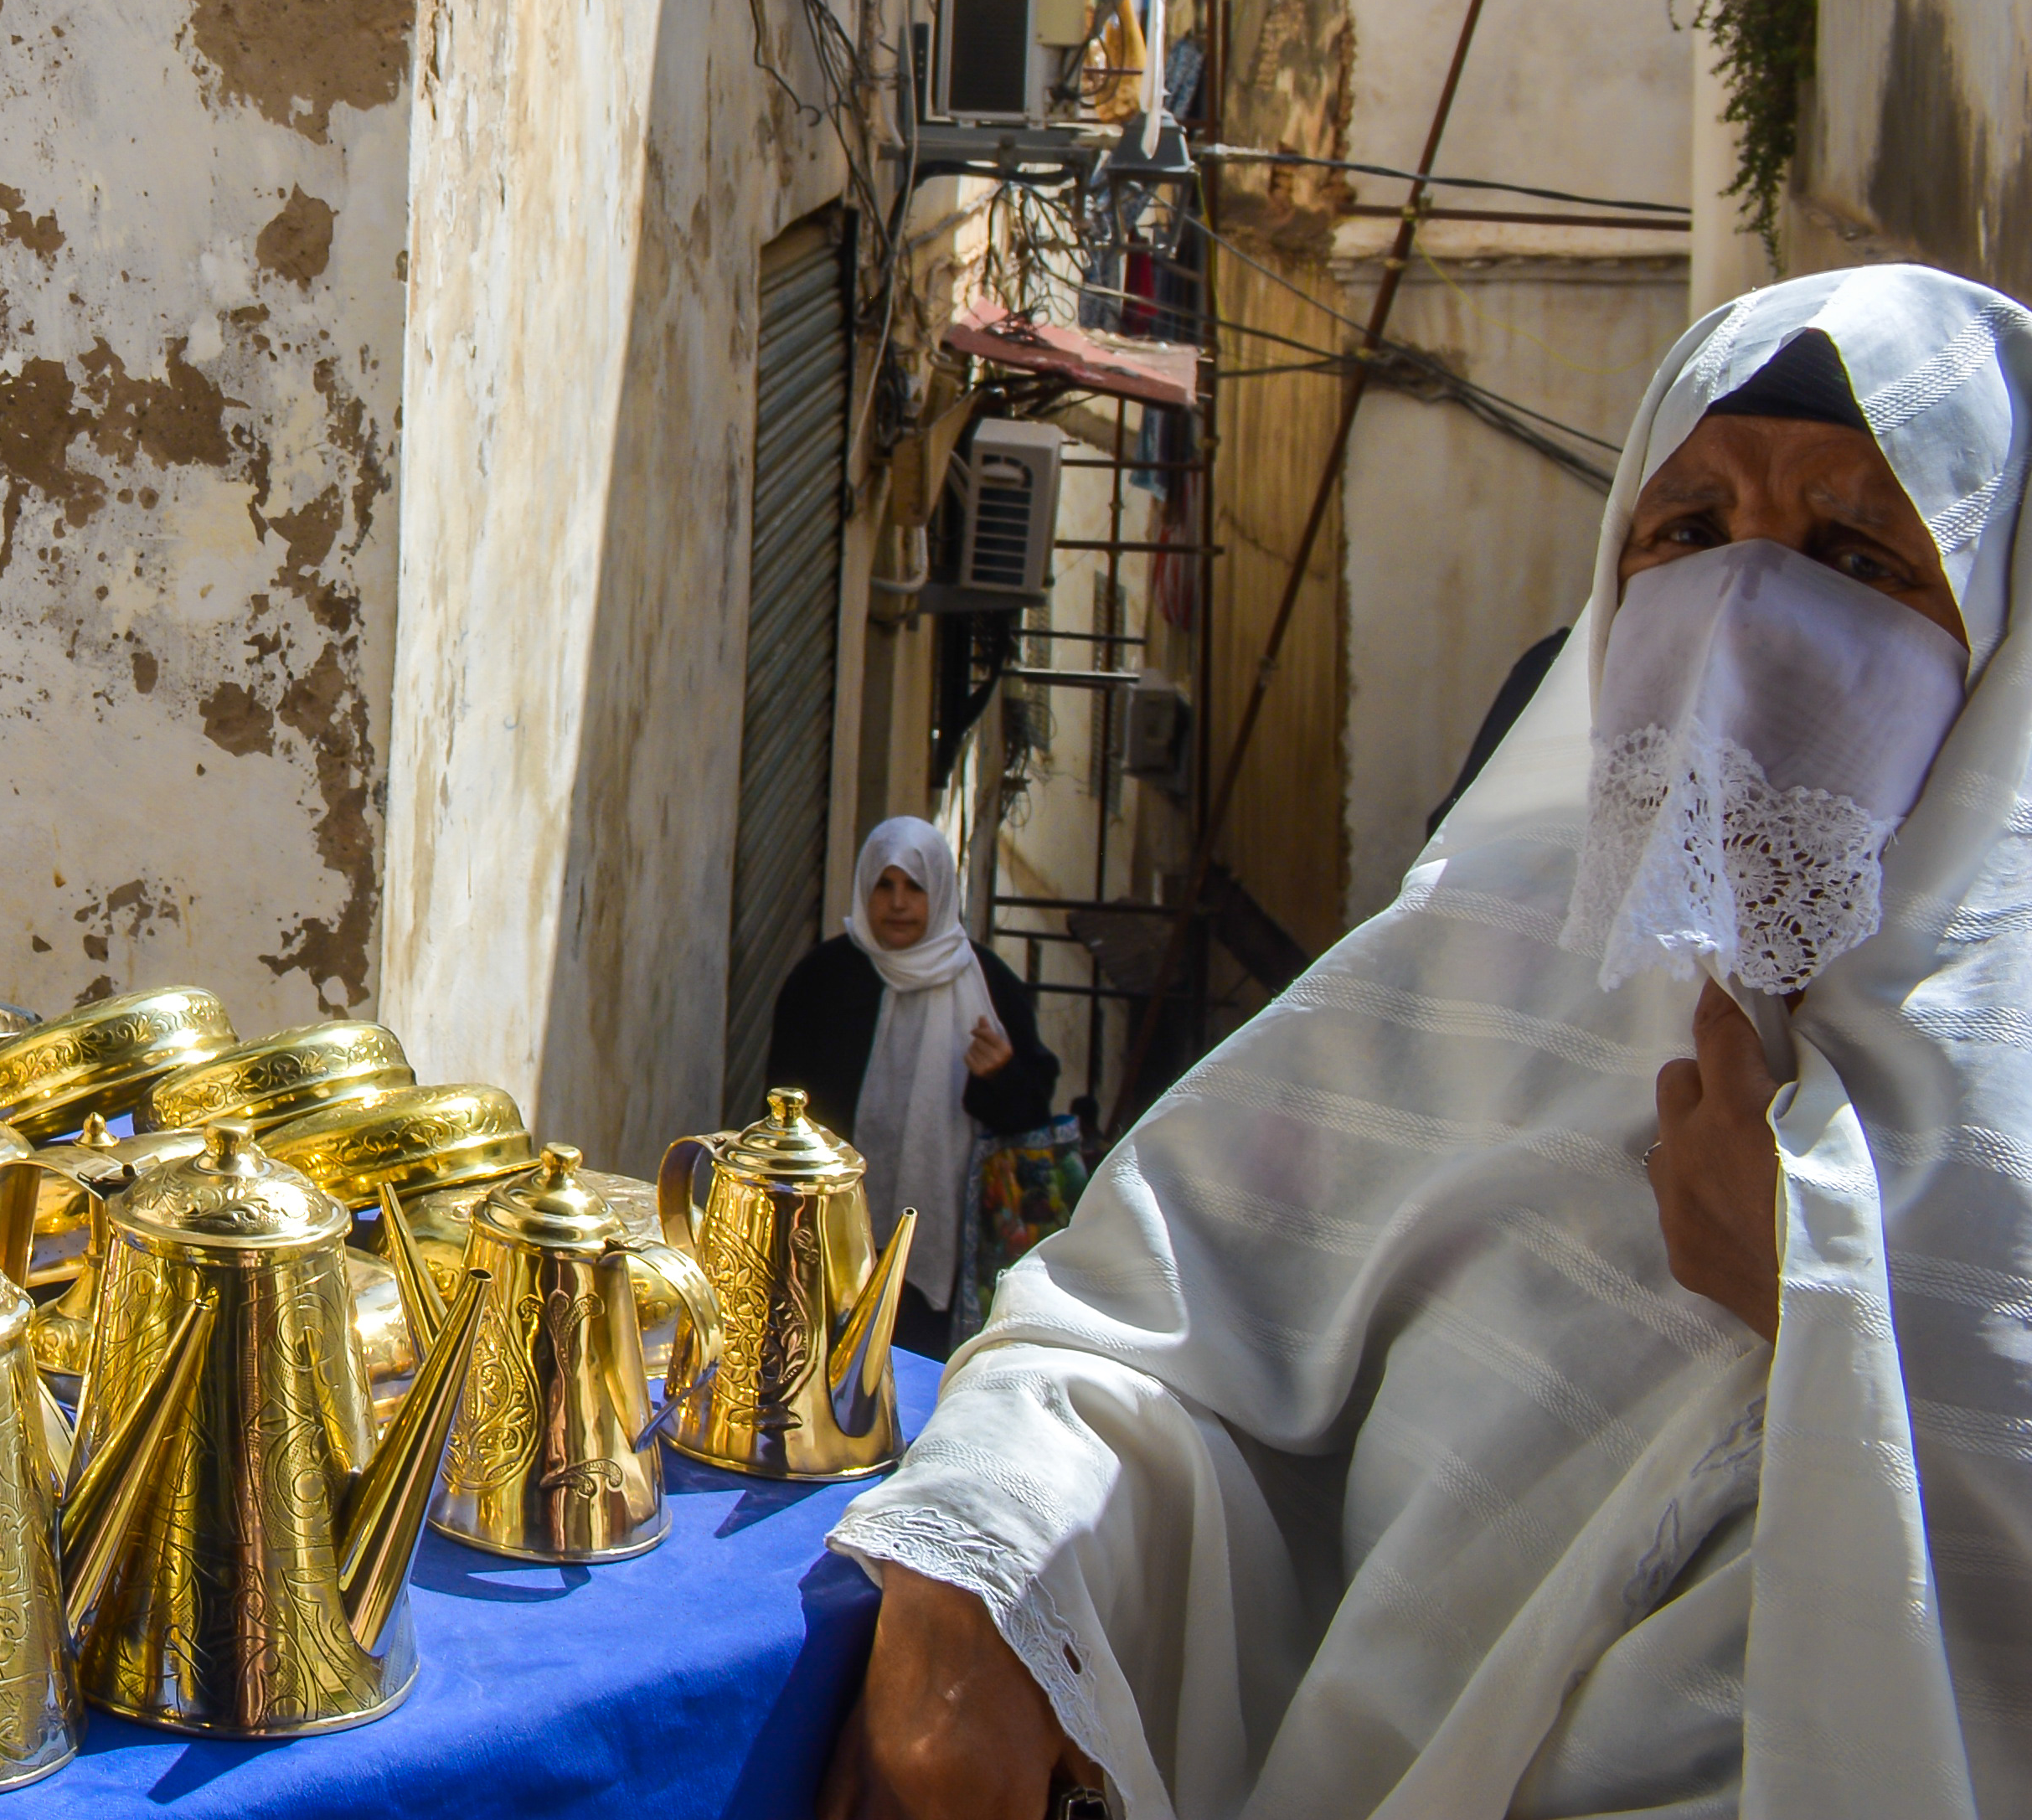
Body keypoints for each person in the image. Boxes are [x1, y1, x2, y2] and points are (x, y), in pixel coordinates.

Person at [818, 272, 2032, 1820]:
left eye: (1859, 560)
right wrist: (977, 1575)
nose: (1744, 613)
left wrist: (1834, 1296)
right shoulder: (1474, 983)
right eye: (1687, 536)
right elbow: (1139, 1349)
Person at [761, 818, 1059, 1359]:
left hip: (944, 1243)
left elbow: (1031, 1115)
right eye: (885, 885)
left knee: (917, 1376)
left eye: (915, 887)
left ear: (941, 891)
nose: (898, 904)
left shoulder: (989, 986)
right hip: (830, 1235)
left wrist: (1002, 1074)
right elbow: (777, 1111)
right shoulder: (822, 981)